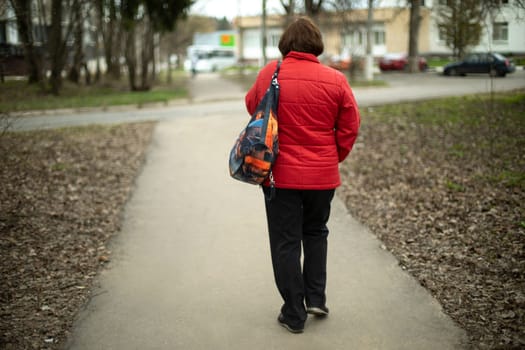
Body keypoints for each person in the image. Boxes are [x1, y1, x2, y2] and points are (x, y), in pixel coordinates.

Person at [245, 17, 361, 334]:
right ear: (316, 45)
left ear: (285, 44)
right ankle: (316, 297)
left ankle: (294, 314)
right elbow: (351, 125)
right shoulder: (336, 79)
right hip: (322, 176)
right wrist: (332, 157)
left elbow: (253, 106)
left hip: (278, 174)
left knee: (285, 242)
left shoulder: (272, 72)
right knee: (316, 232)